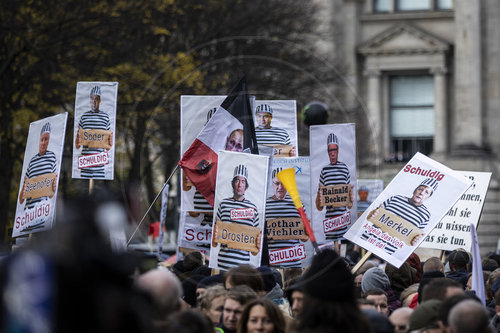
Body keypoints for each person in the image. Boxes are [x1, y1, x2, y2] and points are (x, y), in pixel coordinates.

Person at [363, 177, 438, 254]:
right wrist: (373, 213)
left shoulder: (425, 215)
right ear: (415, 190)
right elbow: (373, 213)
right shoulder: (395, 198)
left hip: (386, 252)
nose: (421, 193)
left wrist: (416, 240)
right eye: (420, 189)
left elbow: (415, 237)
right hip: (366, 240)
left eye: (426, 192)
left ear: (429, 197)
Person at [213, 165, 261, 270]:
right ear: (233, 184)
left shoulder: (253, 209)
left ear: (246, 185)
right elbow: (214, 242)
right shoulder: (223, 204)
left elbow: (254, 250)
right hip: (223, 265)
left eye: (243, 182)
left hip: (242, 268)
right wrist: (215, 234)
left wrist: (258, 244)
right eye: (237, 181)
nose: (239, 185)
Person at [315, 133, 353, 240]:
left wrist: (351, 196)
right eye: (330, 150)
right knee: (332, 253)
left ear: (338, 150)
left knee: (343, 251)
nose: (332, 154)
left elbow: (349, 205)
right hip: (330, 222)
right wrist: (319, 192)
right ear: (327, 152)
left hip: (343, 222)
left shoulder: (344, 169)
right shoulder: (324, 170)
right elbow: (319, 207)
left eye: (334, 150)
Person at [265, 168, 303, 268]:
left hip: (293, 265)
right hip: (272, 265)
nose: (280, 187)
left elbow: (305, 237)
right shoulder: (264, 206)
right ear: (272, 184)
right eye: (277, 183)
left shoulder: (298, 204)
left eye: (283, 183)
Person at [75, 85, 113, 179]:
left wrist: (110, 143)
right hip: (86, 164)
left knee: (97, 191)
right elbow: (77, 145)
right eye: (92, 98)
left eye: (96, 99)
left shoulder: (105, 117)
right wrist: (78, 138)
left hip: (99, 164)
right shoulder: (84, 117)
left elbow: (108, 146)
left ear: (100, 100)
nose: (94, 101)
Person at [19, 122, 57, 210]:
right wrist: (24, 188)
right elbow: (21, 200)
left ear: (49, 140)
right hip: (28, 215)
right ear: (39, 140)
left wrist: (53, 188)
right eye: (42, 139)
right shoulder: (32, 161)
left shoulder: (52, 157)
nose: (43, 143)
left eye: (46, 139)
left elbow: (51, 195)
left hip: (43, 212)